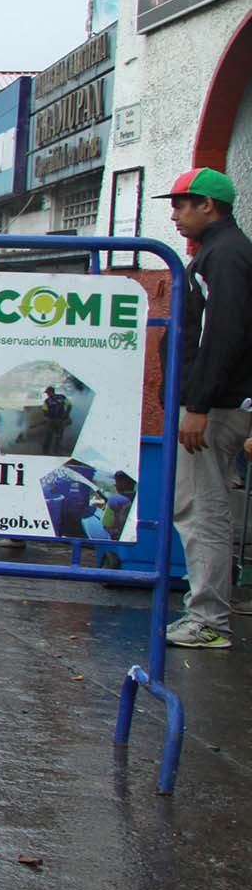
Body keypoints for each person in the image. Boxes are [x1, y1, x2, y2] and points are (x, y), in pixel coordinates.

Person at [162, 168, 252, 648]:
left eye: (182, 204)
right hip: (218, 402)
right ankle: (208, 614)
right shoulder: (220, 254)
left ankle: (210, 620)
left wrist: (198, 403)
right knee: (205, 507)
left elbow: (223, 333)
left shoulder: (226, 256)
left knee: (202, 509)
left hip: (216, 408)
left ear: (208, 206)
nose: (174, 214)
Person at [42, 384, 73, 454]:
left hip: (54, 421)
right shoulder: (62, 397)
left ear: (51, 392)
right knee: (58, 437)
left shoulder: (47, 401)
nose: (47, 394)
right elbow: (69, 406)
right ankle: (55, 452)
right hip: (59, 420)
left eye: (47, 393)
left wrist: (48, 418)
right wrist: (66, 414)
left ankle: (47, 452)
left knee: (49, 436)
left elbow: (44, 411)